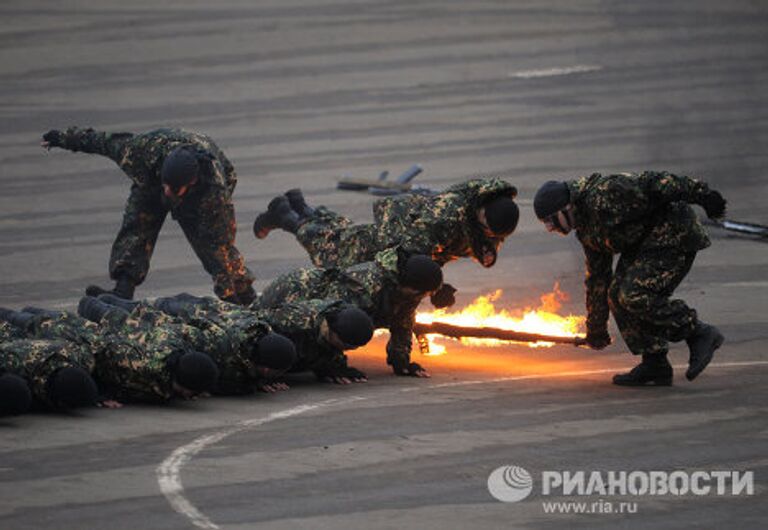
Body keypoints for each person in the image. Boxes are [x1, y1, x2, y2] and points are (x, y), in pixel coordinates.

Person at [533, 171, 727, 386]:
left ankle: (699, 332)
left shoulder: (607, 194)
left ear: (566, 208)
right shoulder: (586, 230)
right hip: (645, 245)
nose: (550, 228)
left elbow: (655, 183)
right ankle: (655, 363)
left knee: (634, 294)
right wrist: (596, 331)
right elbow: (598, 280)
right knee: (615, 295)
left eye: (550, 221)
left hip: (674, 234)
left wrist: (704, 195)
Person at [41, 126, 255, 304]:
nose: (167, 192)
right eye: (167, 186)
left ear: (190, 184)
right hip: (151, 178)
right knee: (137, 224)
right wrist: (64, 138)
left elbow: (220, 244)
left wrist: (228, 297)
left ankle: (245, 295)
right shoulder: (141, 151)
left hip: (200, 197)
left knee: (210, 245)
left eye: (173, 189)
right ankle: (123, 289)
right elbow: (103, 142)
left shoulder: (214, 193)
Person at [253, 179, 519, 307]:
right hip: (394, 237)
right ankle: (286, 216)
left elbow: (483, 246)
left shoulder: (491, 210)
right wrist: (436, 288)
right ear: (480, 212)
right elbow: (411, 260)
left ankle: (301, 206)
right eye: (484, 227)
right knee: (333, 253)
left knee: (344, 234)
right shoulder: (445, 217)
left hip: (413, 233)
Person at [256, 248, 443, 377]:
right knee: (276, 351)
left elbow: (403, 321)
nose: (423, 298)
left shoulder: (408, 290)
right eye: (423, 294)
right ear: (410, 287)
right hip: (292, 295)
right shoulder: (364, 287)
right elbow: (333, 322)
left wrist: (401, 362)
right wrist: (334, 365)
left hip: (316, 307)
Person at [2, 306, 218, 404]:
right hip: (81, 338)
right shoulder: (140, 366)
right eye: (192, 391)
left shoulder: (175, 352)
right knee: (27, 322)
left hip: (100, 335)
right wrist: (101, 393)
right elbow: (104, 362)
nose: (193, 397)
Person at [97, 294, 297, 394]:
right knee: (147, 312)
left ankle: (107, 303)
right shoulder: (224, 351)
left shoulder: (262, 338)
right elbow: (224, 379)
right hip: (190, 317)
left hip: (212, 314)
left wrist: (258, 382)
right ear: (264, 367)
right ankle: (99, 304)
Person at [155, 294, 374, 384]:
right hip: (240, 319)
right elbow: (258, 349)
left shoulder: (339, 320)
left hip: (246, 324)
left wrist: (333, 368)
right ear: (333, 333)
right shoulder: (293, 325)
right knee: (188, 313)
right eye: (347, 346)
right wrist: (261, 376)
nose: (349, 350)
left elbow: (323, 350)